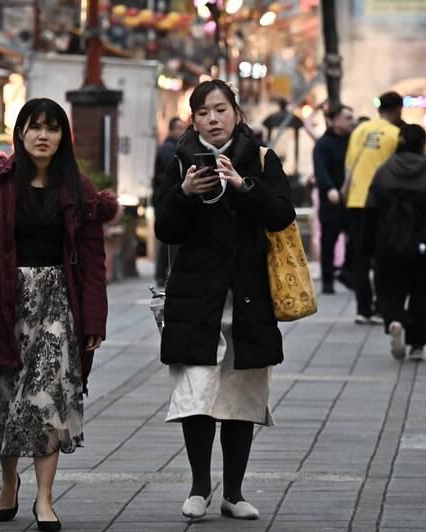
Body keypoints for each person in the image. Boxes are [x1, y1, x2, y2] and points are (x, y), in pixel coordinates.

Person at [0, 98, 118, 531]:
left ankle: (45, 500)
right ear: (20, 133)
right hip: (5, 305)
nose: (42, 136)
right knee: (7, 401)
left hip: (58, 306)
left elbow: (93, 261)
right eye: (34, 127)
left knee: (46, 400)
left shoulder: (78, 189)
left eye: (52, 129)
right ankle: (9, 482)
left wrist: (94, 321)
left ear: (62, 137)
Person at [155, 79, 295, 521]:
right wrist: (185, 195)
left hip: (249, 296)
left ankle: (233, 492)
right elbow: (164, 230)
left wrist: (243, 185)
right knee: (197, 393)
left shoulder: (262, 158)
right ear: (192, 119)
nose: (212, 119)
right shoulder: (176, 161)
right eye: (202, 113)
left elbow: (282, 215)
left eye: (220, 110)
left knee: (240, 396)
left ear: (236, 111)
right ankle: (199, 487)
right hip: (197, 297)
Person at [363, 125, 426, 361]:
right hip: (425, 245)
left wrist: (367, 245)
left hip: (389, 244)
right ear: (423, 143)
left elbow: (370, 209)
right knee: (424, 293)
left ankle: (396, 319)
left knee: (389, 289)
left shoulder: (384, 171)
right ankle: (417, 344)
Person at [342, 93, 401, 324]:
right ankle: (379, 308)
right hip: (381, 203)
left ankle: (362, 309)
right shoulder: (395, 135)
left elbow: (348, 165)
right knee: (381, 258)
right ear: (398, 110)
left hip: (356, 201)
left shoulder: (359, 130)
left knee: (360, 257)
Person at [313, 104, 355, 294]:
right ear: (335, 120)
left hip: (351, 199)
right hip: (331, 200)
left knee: (355, 239)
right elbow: (320, 170)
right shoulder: (323, 144)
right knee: (329, 241)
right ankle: (328, 280)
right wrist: (329, 189)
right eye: (347, 118)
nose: (351, 121)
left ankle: (347, 272)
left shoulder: (353, 140)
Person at [152, 116, 187, 287]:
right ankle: (163, 274)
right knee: (167, 241)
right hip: (165, 199)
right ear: (172, 129)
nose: (182, 131)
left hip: (166, 197)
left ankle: (163, 273)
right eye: (179, 128)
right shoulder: (169, 150)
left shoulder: (173, 148)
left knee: (167, 242)